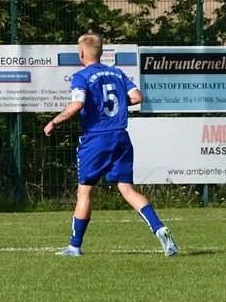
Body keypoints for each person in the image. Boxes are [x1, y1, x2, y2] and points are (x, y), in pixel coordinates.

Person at [44, 33, 177, 257]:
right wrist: (119, 104)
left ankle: (74, 247)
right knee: (127, 189)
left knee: (85, 192)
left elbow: (77, 105)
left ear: (81, 53)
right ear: (100, 52)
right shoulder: (117, 73)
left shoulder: (81, 76)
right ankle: (159, 228)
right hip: (121, 137)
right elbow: (137, 97)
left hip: (96, 139)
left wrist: (54, 122)